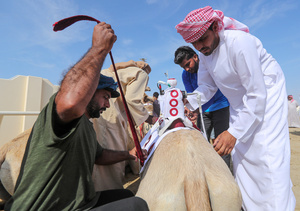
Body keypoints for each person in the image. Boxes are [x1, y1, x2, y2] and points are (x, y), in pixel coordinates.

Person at [5, 22, 149, 211]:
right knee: (137, 205)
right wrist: (99, 48)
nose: (108, 104)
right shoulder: (63, 117)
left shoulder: (87, 126)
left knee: (125, 195)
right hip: (49, 208)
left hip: (80, 201)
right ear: (89, 92)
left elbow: (100, 155)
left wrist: (128, 155)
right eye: (105, 97)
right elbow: (71, 102)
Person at [176, 6, 295, 210]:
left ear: (215, 27)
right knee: (243, 155)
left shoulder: (239, 43)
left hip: (266, 95)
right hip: (241, 101)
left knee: (266, 155)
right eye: (194, 42)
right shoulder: (204, 54)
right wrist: (188, 103)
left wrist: (233, 132)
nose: (199, 46)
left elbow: (257, 95)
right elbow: (207, 86)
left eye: (202, 39)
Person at [92, 60, 155, 191]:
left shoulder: (116, 71)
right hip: (111, 116)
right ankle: (110, 195)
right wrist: (151, 119)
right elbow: (132, 100)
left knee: (99, 153)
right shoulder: (141, 74)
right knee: (111, 157)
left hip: (101, 110)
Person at [174, 45, 231, 168]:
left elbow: (213, 91)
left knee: (221, 143)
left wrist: (197, 109)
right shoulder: (186, 75)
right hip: (203, 110)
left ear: (195, 56)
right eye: (183, 67)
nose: (187, 69)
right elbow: (192, 96)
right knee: (200, 143)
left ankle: (226, 175)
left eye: (188, 64)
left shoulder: (208, 66)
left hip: (221, 106)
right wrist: (193, 110)